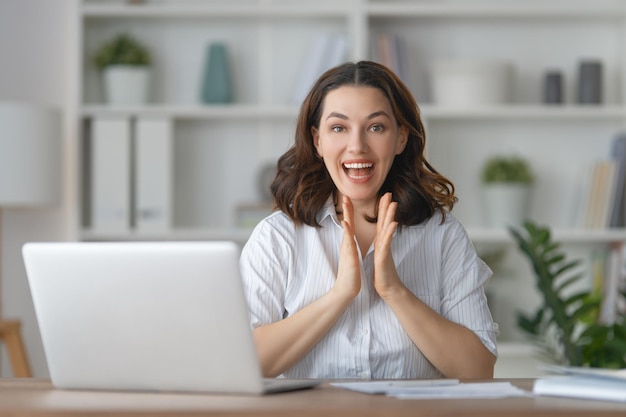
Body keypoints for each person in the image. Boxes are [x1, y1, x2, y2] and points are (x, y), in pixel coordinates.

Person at [239, 61, 498, 380]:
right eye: (339, 128)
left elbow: (478, 370)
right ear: (317, 141)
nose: (357, 146)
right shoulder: (276, 237)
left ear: (401, 138)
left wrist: (393, 290)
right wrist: (340, 294)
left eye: (376, 127)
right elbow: (246, 365)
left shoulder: (442, 235)